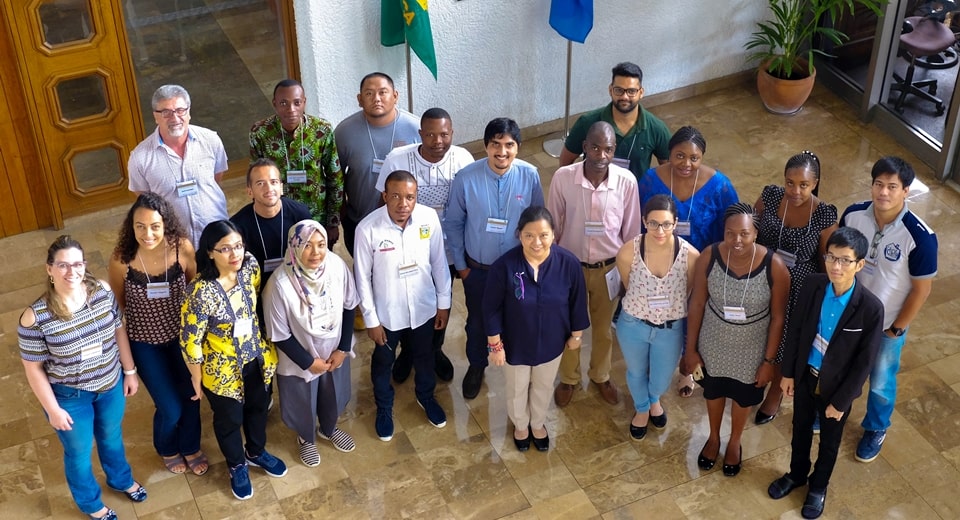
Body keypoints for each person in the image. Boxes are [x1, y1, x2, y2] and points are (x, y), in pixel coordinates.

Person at [19, 236, 146, 520]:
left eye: (76, 264)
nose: (71, 272)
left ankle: (120, 480)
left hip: (110, 384)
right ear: (49, 269)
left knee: (111, 437)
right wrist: (53, 410)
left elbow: (118, 330)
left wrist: (129, 371)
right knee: (78, 452)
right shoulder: (35, 317)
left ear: (84, 265)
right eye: (62, 265)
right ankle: (90, 504)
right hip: (69, 396)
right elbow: (33, 368)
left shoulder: (101, 291)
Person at [767, 227, 883, 519]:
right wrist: (789, 373)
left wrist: (842, 402)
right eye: (831, 257)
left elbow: (864, 362)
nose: (836, 266)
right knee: (801, 429)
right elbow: (795, 330)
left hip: (837, 387)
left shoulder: (870, 308)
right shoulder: (812, 285)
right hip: (806, 374)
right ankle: (796, 474)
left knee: (830, 442)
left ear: (860, 265)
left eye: (845, 260)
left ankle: (818, 487)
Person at [838, 156, 937, 463]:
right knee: (838, 368)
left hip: (886, 325)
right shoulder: (854, 215)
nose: (883, 193)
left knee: (881, 380)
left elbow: (922, 289)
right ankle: (830, 413)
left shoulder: (920, 237)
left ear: (906, 191)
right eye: (879, 184)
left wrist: (896, 328)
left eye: (892, 187)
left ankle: (876, 428)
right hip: (849, 315)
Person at [181, 220, 287, 501]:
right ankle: (237, 464)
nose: (235, 254)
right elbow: (190, 340)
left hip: (256, 356)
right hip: (223, 369)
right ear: (210, 252)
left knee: (258, 408)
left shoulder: (250, 267)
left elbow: (254, 305)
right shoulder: (199, 292)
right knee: (229, 420)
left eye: (238, 246)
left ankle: (255, 452)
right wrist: (196, 377)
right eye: (225, 248)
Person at [684, 203, 790, 476]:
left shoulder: (774, 266)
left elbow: (779, 317)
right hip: (713, 342)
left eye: (744, 233)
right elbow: (696, 304)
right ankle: (714, 437)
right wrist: (690, 348)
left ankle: (734, 442)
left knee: (743, 398)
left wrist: (769, 361)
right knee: (714, 391)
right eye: (730, 233)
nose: (737, 240)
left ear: (755, 233)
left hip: (751, 348)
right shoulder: (709, 256)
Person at [445, 117, 545, 400]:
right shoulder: (466, 178)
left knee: (519, 319)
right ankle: (477, 366)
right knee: (477, 323)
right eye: (495, 145)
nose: (502, 152)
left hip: (518, 269)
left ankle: (518, 368)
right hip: (479, 270)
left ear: (518, 147)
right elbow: (452, 223)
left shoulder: (530, 175)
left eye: (509, 145)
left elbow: (538, 221)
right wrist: (463, 268)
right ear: (486, 146)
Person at [107, 193, 206, 476]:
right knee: (170, 408)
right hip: (145, 343)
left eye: (154, 226)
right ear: (131, 226)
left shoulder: (181, 249)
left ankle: (190, 446)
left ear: (166, 225)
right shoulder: (121, 259)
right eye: (140, 226)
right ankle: (167, 447)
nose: (147, 233)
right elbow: (119, 306)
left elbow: (193, 288)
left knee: (192, 397)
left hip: (181, 338)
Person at [375, 107, 475, 384]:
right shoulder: (398, 159)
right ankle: (408, 351)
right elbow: (380, 203)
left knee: (442, 297)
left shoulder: (463, 158)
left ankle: (434, 350)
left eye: (444, 134)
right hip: (408, 248)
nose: (437, 141)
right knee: (411, 296)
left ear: (452, 133)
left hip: (450, 248)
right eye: (430, 135)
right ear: (420, 135)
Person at [638, 126, 739, 397]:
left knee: (694, 318)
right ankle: (654, 364)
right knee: (657, 316)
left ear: (702, 157)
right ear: (669, 154)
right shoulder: (650, 179)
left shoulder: (720, 186)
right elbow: (638, 219)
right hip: (659, 263)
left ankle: (686, 369)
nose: (686, 164)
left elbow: (732, 226)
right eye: (679, 156)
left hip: (701, 267)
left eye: (694, 158)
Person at [548, 121, 642, 407]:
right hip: (571, 268)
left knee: (602, 328)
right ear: (585, 147)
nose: (601, 155)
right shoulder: (563, 178)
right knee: (569, 328)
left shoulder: (627, 182)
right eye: (596, 147)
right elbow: (552, 226)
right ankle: (569, 378)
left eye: (609, 149)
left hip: (609, 269)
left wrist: (628, 275)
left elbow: (631, 234)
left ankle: (601, 375)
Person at [354, 170, 452, 441]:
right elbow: (361, 279)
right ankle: (384, 407)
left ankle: (426, 397)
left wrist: (443, 304)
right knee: (383, 361)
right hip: (387, 315)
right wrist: (371, 320)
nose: (402, 204)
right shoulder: (367, 229)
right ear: (385, 196)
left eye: (409, 197)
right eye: (395, 196)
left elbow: (440, 263)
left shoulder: (428, 218)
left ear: (416, 196)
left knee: (424, 356)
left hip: (423, 309)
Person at [483, 206, 589, 452]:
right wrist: (495, 345)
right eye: (529, 235)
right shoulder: (504, 266)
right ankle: (520, 425)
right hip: (515, 343)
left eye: (543, 235)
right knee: (517, 387)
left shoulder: (568, 264)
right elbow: (491, 309)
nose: (537, 242)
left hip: (553, 341)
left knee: (543, 385)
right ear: (519, 235)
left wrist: (576, 334)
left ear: (554, 234)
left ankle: (538, 423)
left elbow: (577, 301)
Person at [262, 220, 359, 466]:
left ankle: (329, 428)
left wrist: (344, 348)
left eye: (321, 244)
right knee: (303, 401)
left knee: (332, 395)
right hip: (300, 358)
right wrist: (308, 362)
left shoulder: (336, 266)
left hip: (333, 352)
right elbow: (279, 333)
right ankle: (306, 438)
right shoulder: (279, 285)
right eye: (307, 245)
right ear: (294, 247)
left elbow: (349, 305)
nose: (316, 253)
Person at [754, 151, 838, 424]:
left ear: (814, 183)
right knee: (759, 331)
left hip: (798, 288)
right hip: (763, 278)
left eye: (803, 184)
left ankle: (774, 395)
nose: (795, 190)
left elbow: (827, 262)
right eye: (790, 183)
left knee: (785, 342)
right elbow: (750, 229)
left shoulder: (823, 215)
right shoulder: (769, 197)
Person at [615, 195, 699, 440]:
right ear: (644, 221)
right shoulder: (628, 252)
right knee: (636, 371)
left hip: (669, 329)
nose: (659, 230)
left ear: (675, 223)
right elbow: (628, 285)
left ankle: (654, 398)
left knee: (662, 377)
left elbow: (689, 291)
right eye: (653, 223)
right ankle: (643, 408)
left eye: (666, 224)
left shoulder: (690, 256)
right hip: (633, 324)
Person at [128, 84, 228, 247]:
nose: (175, 118)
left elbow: (217, 179)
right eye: (166, 112)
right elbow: (144, 200)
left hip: (217, 238)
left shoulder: (211, 140)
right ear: (155, 116)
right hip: (174, 244)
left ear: (188, 112)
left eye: (180, 110)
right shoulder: (140, 158)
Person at [335, 72, 420, 256]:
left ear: (395, 96)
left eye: (383, 92)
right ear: (359, 99)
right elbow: (335, 177)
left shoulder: (416, 128)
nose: (377, 99)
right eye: (369, 93)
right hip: (360, 220)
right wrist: (340, 215)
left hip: (405, 223)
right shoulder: (344, 132)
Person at [249, 79, 344, 244]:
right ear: (275, 104)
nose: (291, 109)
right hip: (277, 214)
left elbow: (335, 177)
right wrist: (261, 217)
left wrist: (333, 222)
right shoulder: (260, 132)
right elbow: (255, 179)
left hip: (315, 215)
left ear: (304, 103)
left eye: (297, 103)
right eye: (284, 103)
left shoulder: (322, 130)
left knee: (316, 260)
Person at [231, 158, 311, 324]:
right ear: (249, 191)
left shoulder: (300, 214)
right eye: (260, 183)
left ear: (281, 187)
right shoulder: (237, 226)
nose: (269, 189)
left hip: (297, 289)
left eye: (273, 182)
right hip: (258, 296)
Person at [558, 62, 671, 180]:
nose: (625, 97)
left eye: (631, 91)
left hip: (635, 196)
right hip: (593, 193)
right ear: (610, 90)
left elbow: (669, 168)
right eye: (619, 90)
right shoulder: (587, 122)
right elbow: (566, 160)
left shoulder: (657, 128)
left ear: (641, 93)